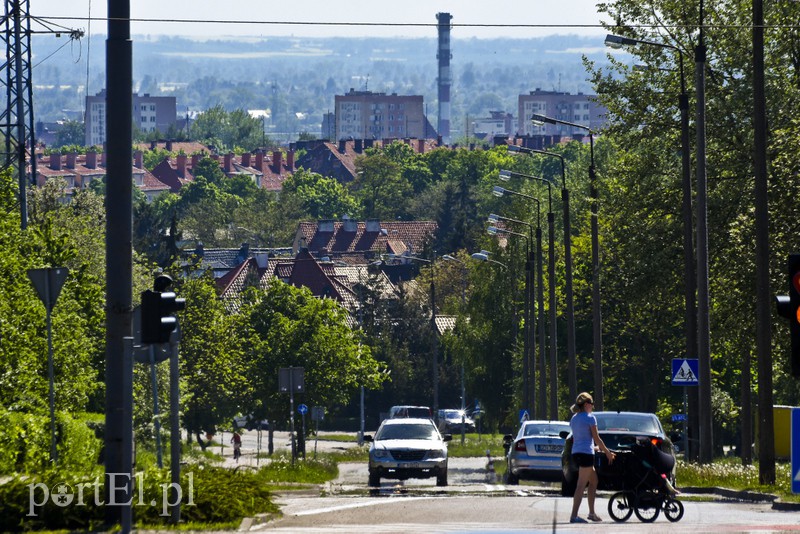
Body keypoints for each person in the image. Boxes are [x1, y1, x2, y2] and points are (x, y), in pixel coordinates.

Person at [568, 392, 615, 524]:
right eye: (592, 404)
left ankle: (592, 513)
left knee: (594, 481)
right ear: (587, 404)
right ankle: (574, 516)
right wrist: (607, 452)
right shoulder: (590, 418)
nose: (593, 407)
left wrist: (594, 448)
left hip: (576, 453)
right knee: (581, 485)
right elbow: (596, 438)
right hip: (586, 455)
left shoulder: (574, 418)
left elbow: (581, 438)